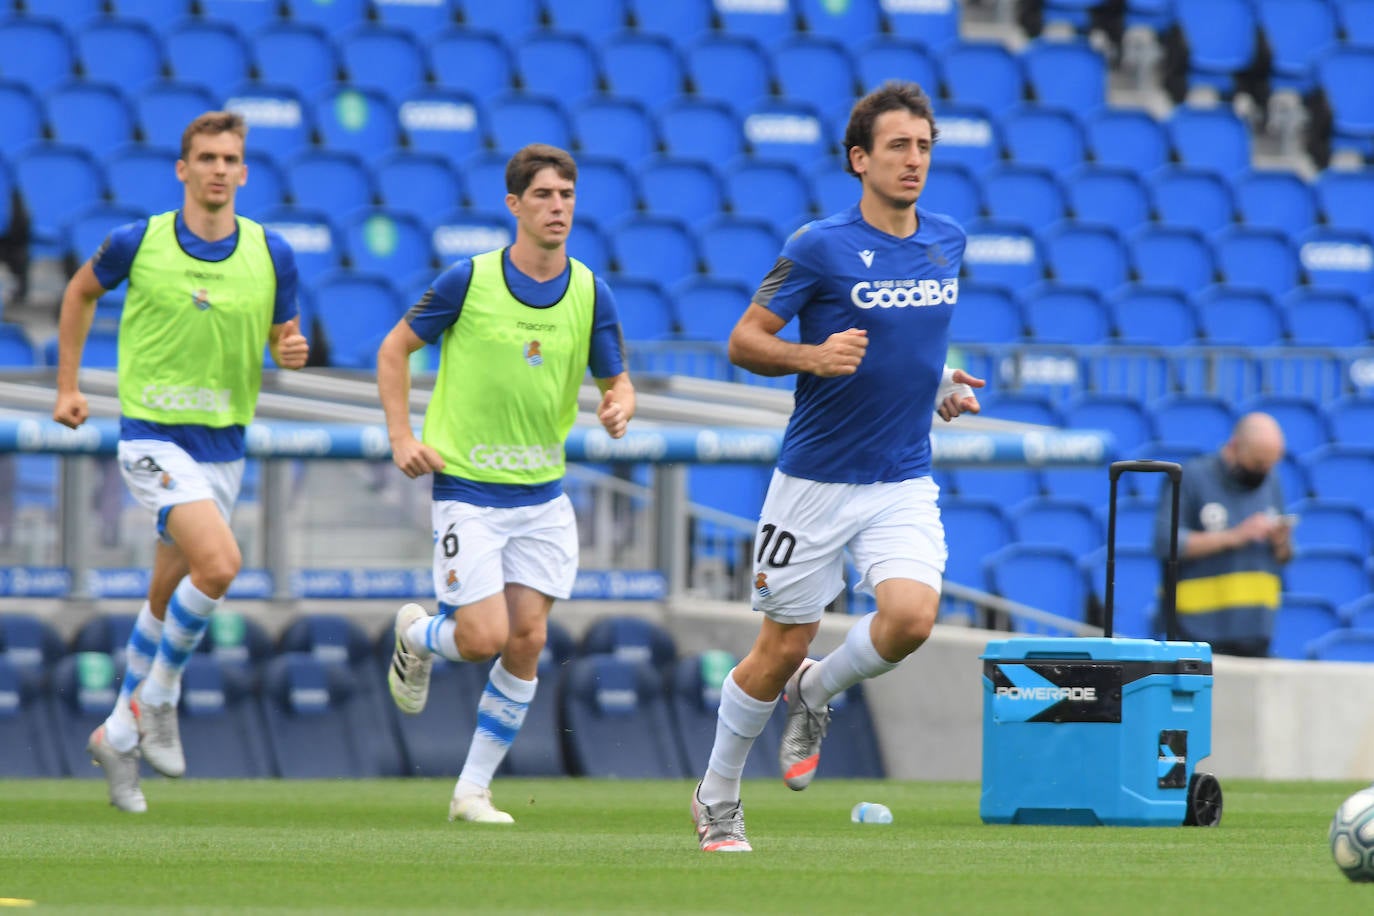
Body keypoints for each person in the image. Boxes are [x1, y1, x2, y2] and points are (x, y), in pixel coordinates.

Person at [690, 81, 984, 852]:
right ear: (860, 159)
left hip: (901, 477)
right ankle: (717, 792)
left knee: (913, 617)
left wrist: (943, 384)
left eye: (923, 146)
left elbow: (912, 339)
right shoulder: (817, 246)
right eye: (897, 146)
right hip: (815, 483)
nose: (913, 160)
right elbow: (744, 340)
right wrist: (812, 356)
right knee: (779, 644)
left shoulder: (947, 239)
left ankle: (819, 689)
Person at [52, 111, 308, 812]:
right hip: (152, 438)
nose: (219, 169)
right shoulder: (141, 241)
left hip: (223, 444)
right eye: (206, 157)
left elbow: (286, 331)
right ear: (183, 169)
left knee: (166, 599)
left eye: (231, 158)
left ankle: (117, 736)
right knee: (222, 565)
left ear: (244, 172)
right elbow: (77, 292)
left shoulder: (272, 252)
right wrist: (68, 386)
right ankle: (159, 699)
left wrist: (292, 346)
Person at [376, 143, 635, 825]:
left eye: (567, 196)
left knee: (527, 640)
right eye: (544, 196)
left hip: (543, 495)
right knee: (483, 637)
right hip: (469, 489)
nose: (558, 208)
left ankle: (472, 791)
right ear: (515, 205)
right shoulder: (469, 280)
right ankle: (419, 636)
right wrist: (403, 437)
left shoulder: (588, 290)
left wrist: (620, 403)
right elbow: (394, 347)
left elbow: (617, 378)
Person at [1153, 412, 1292, 657]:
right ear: (1235, 446)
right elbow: (1167, 542)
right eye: (1258, 463)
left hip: (1257, 631)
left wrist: (1281, 542)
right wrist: (1236, 536)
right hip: (1198, 631)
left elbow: (1285, 555)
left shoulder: (1271, 481)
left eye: (1271, 464)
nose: (1264, 471)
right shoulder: (1192, 477)